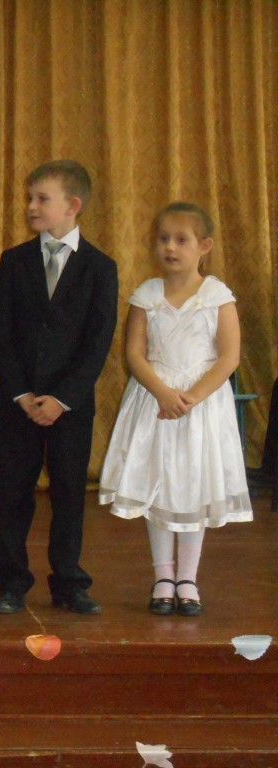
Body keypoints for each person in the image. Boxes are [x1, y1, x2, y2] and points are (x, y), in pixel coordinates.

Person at [99, 202, 251, 616]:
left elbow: (229, 356)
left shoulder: (217, 297)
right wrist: (163, 393)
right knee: (160, 484)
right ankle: (163, 575)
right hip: (155, 402)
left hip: (201, 408)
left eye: (181, 240)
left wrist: (192, 397)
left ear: (204, 246)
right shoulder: (147, 295)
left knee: (193, 485)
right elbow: (135, 353)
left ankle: (188, 577)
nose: (170, 247)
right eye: (164, 239)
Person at [0, 160, 118, 615]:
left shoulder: (100, 268)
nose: (31, 206)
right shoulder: (13, 261)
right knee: (13, 493)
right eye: (30, 197)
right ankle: (11, 582)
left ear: (73, 205)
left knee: (68, 493)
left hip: (70, 407)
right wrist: (21, 393)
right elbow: (0, 334)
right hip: (19, 404)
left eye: (42, 198)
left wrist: (62, 399)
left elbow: (98, 341)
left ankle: (68, 582)